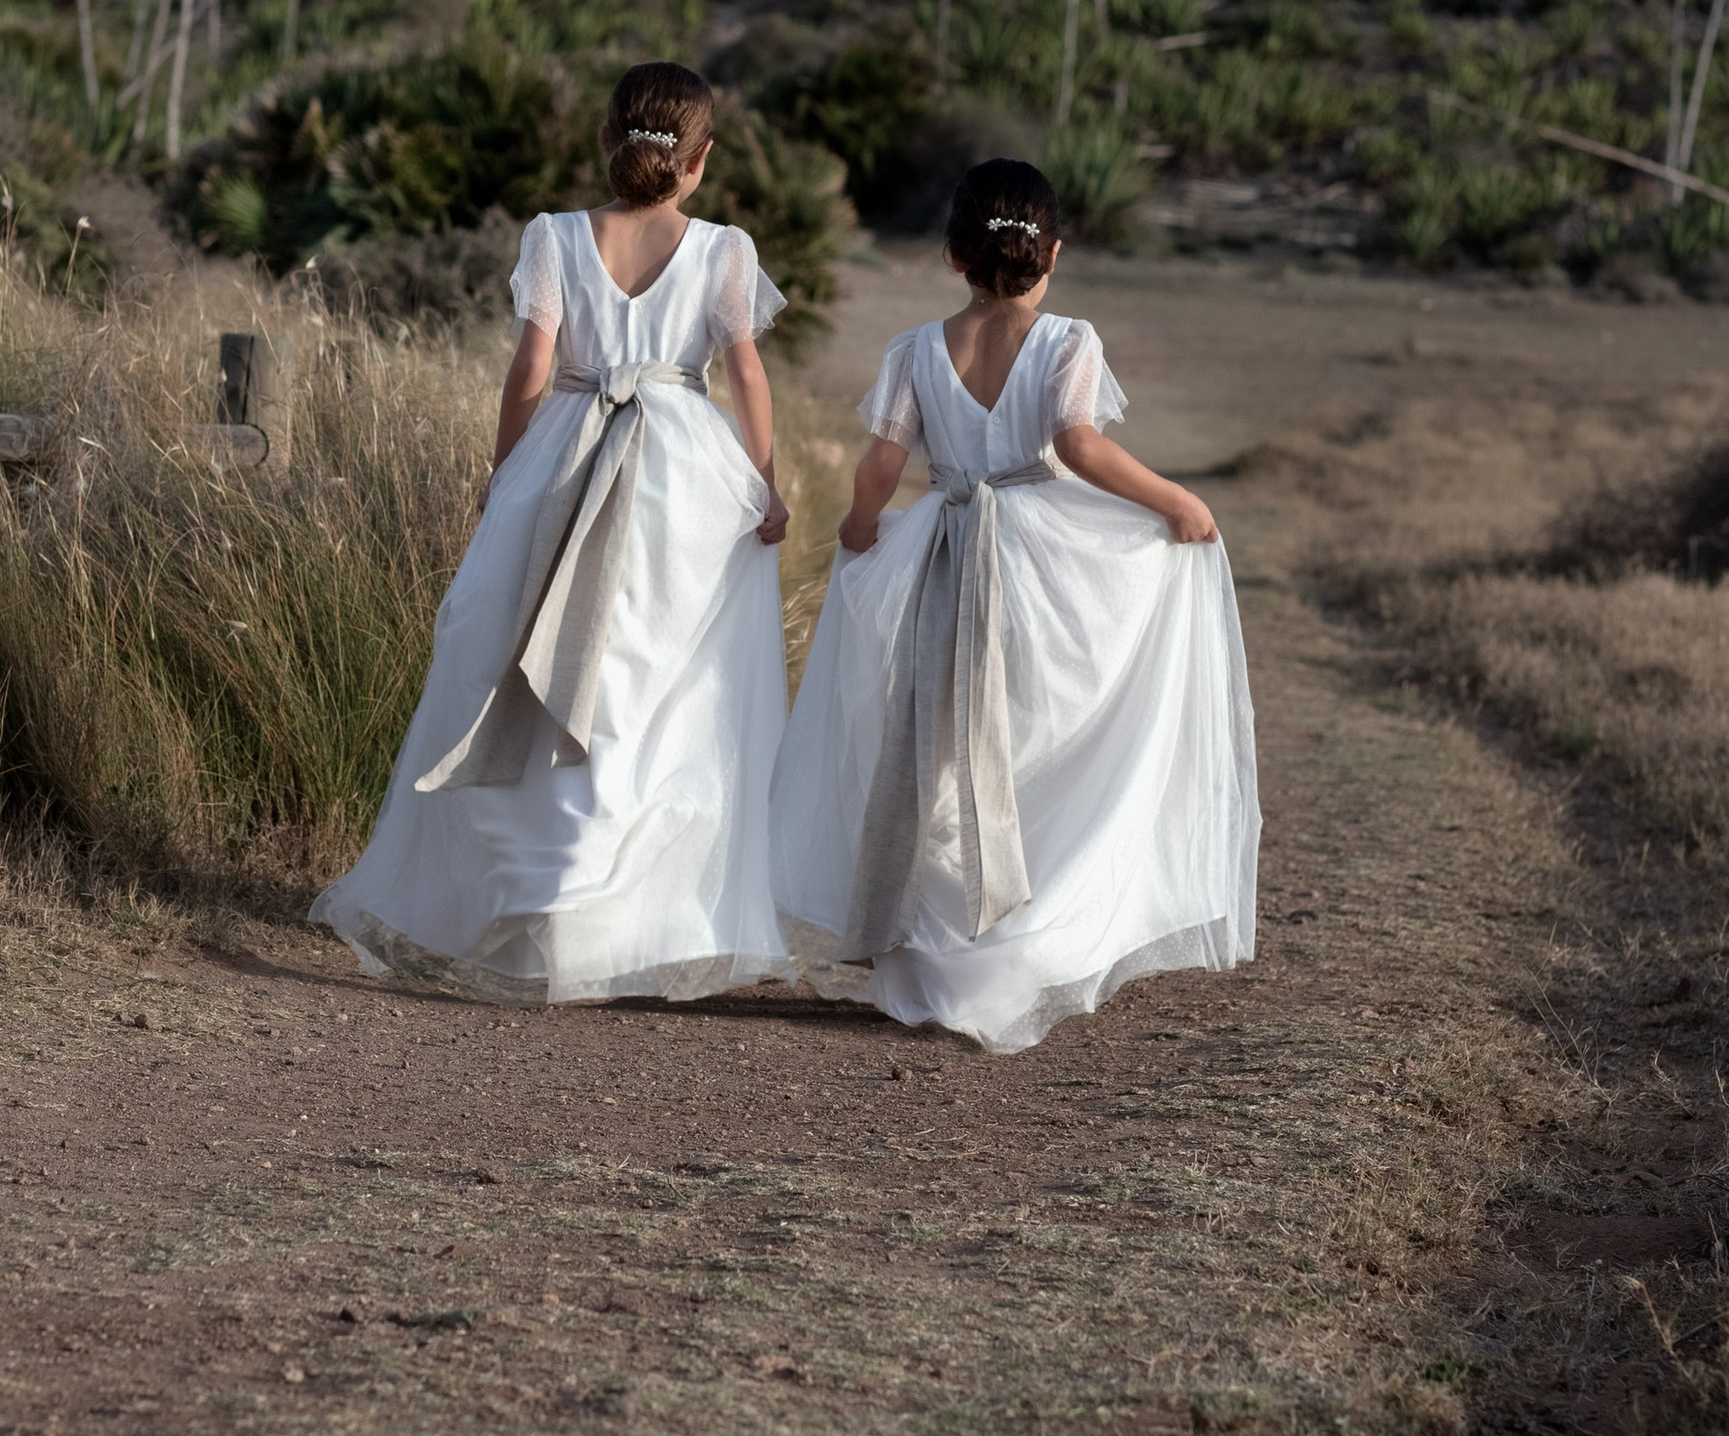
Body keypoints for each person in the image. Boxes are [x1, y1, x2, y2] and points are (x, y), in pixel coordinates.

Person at [312, 62, 795, 1002]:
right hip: (681, 469)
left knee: (516, 651)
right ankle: (623, 906)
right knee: (656, 677)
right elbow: (748, 376)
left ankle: (535, 893)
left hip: (564, 453)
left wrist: (507, 476)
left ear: (607, 141)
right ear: (700, 161)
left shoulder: (556, 237)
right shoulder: (724, 250)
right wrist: (764, 487)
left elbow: (530, 368)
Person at [773, 157, 1256, 1050]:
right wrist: (1174, 502)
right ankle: (1020, 934)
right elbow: (1077, 443)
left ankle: (934, 941)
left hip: (945, 544)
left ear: (953, 255)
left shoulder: (917, 349)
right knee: (1029, 732)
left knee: (940, 736)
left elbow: (881, 465)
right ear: (1054, 253)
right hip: (1038, 559)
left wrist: (861, 526)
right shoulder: (1068, 342)